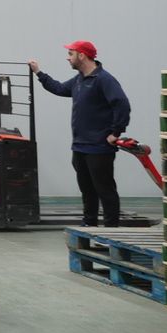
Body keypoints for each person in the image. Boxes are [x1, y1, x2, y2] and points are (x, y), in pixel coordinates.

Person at [30, 41, 131, 227]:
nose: (68, 58)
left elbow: (122, 104)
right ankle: (90, 224)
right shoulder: (79, 80)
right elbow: (59, 88)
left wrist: (115, 132)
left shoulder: (103, 79)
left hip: (99, 147)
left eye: (71, 53)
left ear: (82, 55)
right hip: (80, 145)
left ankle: (111, 230)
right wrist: (39, 73)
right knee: (87, 189)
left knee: (105, 189)